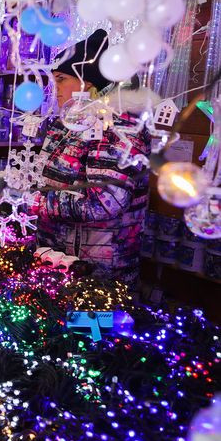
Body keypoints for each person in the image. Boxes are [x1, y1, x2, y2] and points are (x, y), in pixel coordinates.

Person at [29, 29, 158, 286]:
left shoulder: (119, 129)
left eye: (61, 79)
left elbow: (104, 203)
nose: (55, 88)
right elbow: (44, 179)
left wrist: (33, 201)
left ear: (86, 83)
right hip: (56, 261)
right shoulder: (63, 125)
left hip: (99, 273)